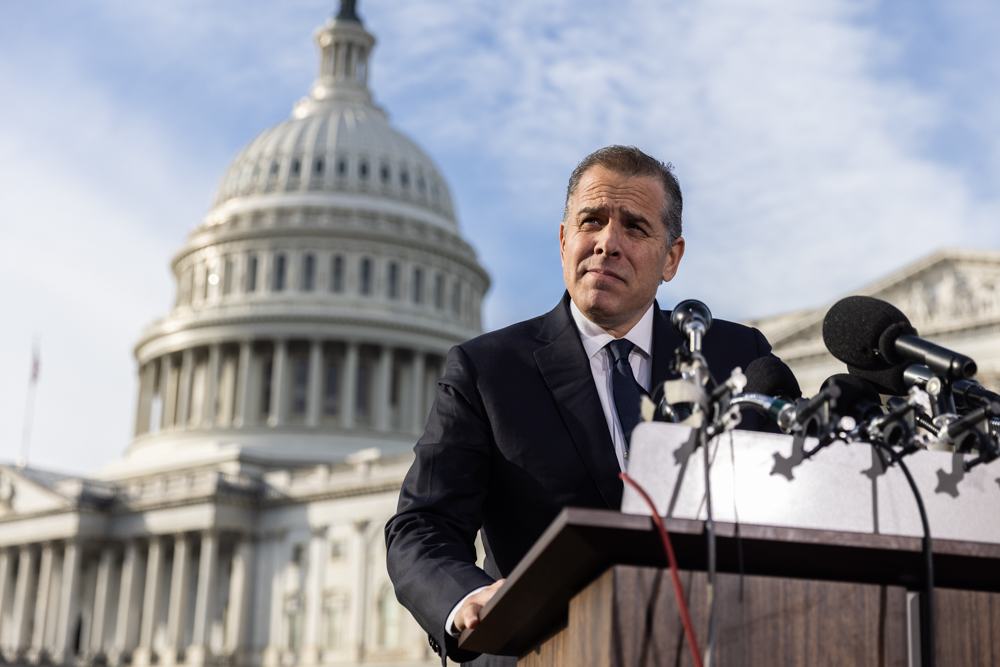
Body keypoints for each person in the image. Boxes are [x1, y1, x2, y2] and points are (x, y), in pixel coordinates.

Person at [384, 146, 776, 666]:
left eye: (635, 227)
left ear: (671, 258)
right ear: (564, 239)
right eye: (591, 221)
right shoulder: (488, 370)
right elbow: (422, 526)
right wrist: (467, 598)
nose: (607, 243)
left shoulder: (735, 357)